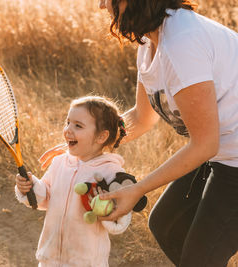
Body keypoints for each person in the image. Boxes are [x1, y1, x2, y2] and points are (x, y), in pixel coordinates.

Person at [42, 1, 238, 266]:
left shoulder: (182, 43)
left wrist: (137, 189)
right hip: (221, 152)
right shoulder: (149, 42)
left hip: (230, 160)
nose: (102, 5)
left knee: (199, 258)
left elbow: (205, 144)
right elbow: (141, 118)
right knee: (166, 225)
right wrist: (83, 143)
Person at [15, 96, 132, 267]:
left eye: (78, 125)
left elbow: (120, 223)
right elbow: (44, 197)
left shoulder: (111, 173)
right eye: (67, 122)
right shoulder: (59, 163)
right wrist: (30, 186)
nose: (68, 129)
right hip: (50, 260)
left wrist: (104, 210)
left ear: (101, 136)